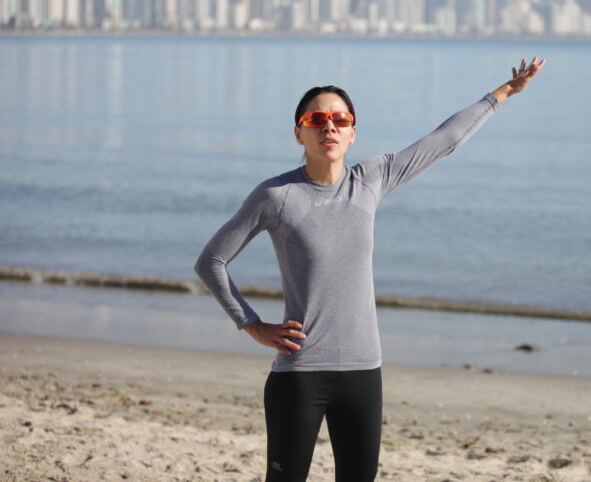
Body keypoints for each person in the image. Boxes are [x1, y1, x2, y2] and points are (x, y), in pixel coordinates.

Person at [194, 56, 546, 481]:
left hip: (363, 372)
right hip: (300, 374)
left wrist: (504, 92)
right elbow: (211, 261)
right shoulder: (276, 195)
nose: (329, 127)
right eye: (317, 118)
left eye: (340, 119)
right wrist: (252, 325)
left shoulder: (371, 179)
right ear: (299, 132)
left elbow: (444, 140)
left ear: (352, 132)